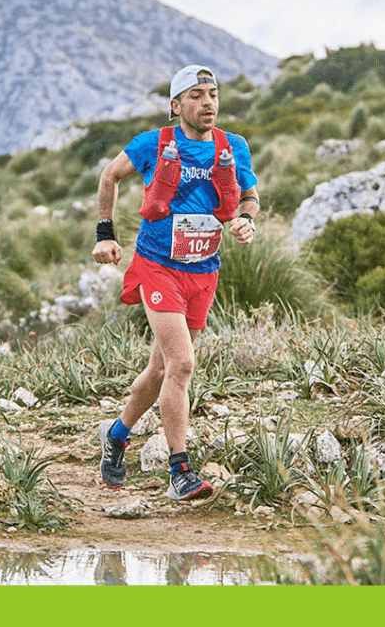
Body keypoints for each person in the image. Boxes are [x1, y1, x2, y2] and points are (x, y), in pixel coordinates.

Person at [92, 64, 260, 500]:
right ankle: (179, 471)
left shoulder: (233, 146)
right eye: (197, 96)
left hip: (203, 270)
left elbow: (249, 195)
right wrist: (105, 234)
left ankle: (116, 436)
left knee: (161, 368)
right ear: (176, 106)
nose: (208, 103)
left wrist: (245, 220)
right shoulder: (153, 144)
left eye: (213, 94)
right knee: (182, 364)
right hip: (157, 265)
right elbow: (109, 175)